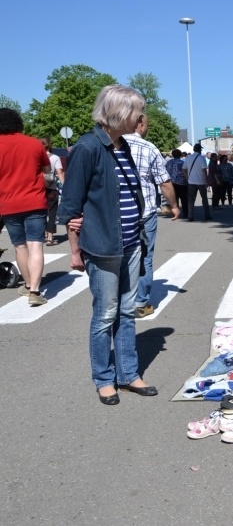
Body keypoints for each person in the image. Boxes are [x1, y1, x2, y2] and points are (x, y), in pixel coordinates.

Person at [57, 84, 158, 404]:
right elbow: (70, 206)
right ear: (118, 113)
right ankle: (104, 378)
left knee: (126, 312)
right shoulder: (87, 148)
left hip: (131, 242)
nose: (141, 117)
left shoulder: (124, 146)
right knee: (105, 314)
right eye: (136, 111)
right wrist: (75, 250)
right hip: (102, 246)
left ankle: (128, 374)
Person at [123, 114, 180, 319]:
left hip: (116, 214)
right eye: (146, 124)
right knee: (145, 256)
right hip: (144, 212)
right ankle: (140, 303)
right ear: (139, 124)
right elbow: (164, 183)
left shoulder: (110, 146)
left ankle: (120, 300)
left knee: (120, 256)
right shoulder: (149, 148)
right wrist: (174, 205)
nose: (147, 128)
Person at [0, 108, 50, 306]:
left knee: (19, 246)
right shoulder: (33, 143)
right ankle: (36, 291)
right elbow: (47, 170)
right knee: (35, 244)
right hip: (35, 201)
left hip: (9, 203)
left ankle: (28, 284)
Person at [40, 137, 63, 246]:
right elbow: (59, 173)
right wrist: (65, 186)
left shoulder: (36, 157)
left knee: (41, 212)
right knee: (52, 212)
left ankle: (42, 234)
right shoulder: (55, 157)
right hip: (51, 186)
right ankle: (50, 237)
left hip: (38, 188)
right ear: (50, 145)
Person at [183, 143, 212, 221]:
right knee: (204, 199)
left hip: (191, 182)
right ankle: (207, 215)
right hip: (201, 181)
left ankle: (190, 216)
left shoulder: (188, 158)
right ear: (200, 150)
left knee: (191, 200)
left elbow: (184, 169)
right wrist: (206, 181)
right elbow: (204, 170)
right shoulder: (202, 158)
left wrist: (187, 178)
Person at [166, 148, 188, 218]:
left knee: (174, 199)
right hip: (182, 183)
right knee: (184, 199)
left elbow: (166, 172)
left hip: (172, 182)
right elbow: (186, 172)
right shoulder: (182, 162)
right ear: (180, 155)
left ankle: (175, 213)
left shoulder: (169, 162)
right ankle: (185, 213)